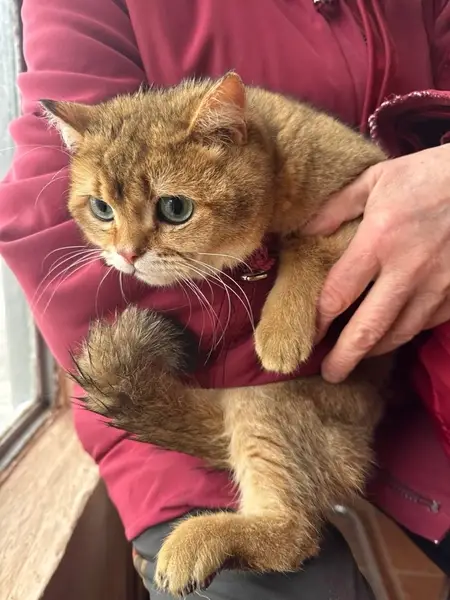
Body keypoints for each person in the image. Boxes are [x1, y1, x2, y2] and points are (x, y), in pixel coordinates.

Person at [1, 0, 450, 597]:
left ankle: (277, 523)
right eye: (103, 211)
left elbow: (367, 208)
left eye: (172, 208)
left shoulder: (290, 145)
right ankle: (275, 521)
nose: (128, 251)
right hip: (224, 430)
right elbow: (44, 236)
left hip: (413, 385)